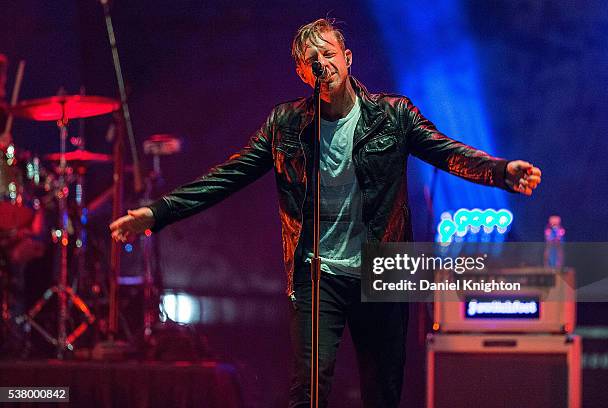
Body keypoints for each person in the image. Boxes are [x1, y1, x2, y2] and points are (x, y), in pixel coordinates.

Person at [110, 18, 542, 408]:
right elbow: (226, 176)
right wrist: (156, 213)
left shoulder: (394, 116)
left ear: (347, 58)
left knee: (384, 392)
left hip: (382, 271)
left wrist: (501, 172)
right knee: (308, 390)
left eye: (328, 53)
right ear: (301, 72)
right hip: (318, 275)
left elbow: (448, 153)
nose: (322, 63)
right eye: (310, 58)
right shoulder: (286, 125)